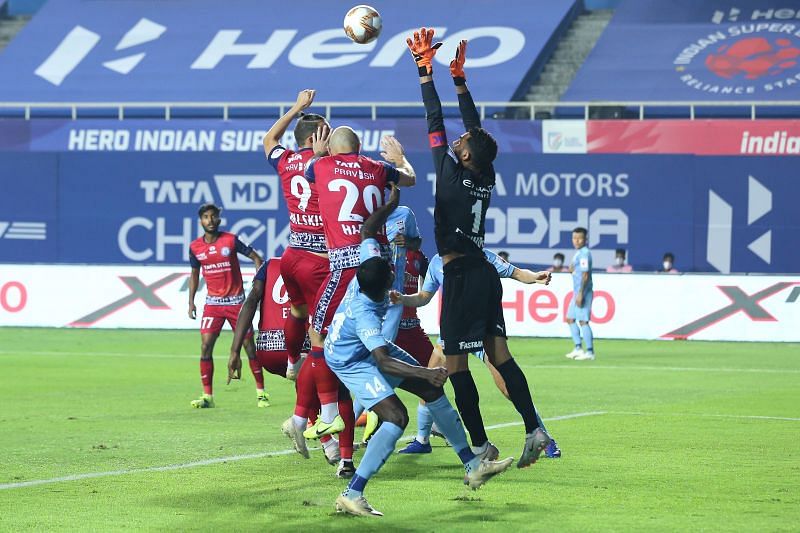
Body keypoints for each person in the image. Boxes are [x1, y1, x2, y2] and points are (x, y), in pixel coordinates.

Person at [409, 29, 551, 467]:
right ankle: (535, 429)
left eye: (461, 145)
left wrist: (424, 74)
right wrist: (460, 81)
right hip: (485, 276)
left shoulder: (450, 175)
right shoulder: (484, 176)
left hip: (461, 276)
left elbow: (436, 122)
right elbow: (472, 130)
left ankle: (480, 447)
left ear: (467, 156)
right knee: (500, 356)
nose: (456, 142)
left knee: (455, 368)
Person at [328, 183, 512, 517]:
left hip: (369, 349)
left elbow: (369, 228)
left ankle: (473, 466)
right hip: (351, 359)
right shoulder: (366, 313)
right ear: (383, 285)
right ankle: (352, 493)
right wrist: (426, 370)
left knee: (430, 390)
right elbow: (382, 359)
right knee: (397, 417)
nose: (394, 275)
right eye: (391, 277)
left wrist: (391, 204)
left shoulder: (368, 265)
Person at [302, 123, 416, 478]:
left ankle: (331, 415)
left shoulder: (320, 166)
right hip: (376, 263)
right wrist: (400, 159)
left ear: (332, 149)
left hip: (344, 264)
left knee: (318, 335)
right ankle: (365, 408)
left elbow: (310, 168)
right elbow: (409, 179)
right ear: (360, 146)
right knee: (367, 339)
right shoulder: (376, 168)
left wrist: (320, 153)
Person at [392, 250, 561, 459]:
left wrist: (534, 277)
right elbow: (424, 297)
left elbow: (515, 273)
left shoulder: (482, 256)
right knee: (430, 381)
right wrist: (403, 299)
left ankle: (544, 437)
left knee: (508, 388)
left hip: (481, 333)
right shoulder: (437, 262)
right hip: (452, 335)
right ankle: (422, 440)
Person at [261, 89, 350, 471]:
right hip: (319, 263)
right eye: (326, 135)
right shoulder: (326, 165)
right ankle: (322, 418)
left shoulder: (285, 161)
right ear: (317, 140)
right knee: (326, 348)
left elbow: (269, 140)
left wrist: (296, 107)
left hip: (291, 256)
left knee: (298, 313)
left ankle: (293, 360)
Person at [228, 258, 340, 466]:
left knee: (306, 384)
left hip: (268, 350)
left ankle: (324, 439)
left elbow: (251, 301)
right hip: (299, 344)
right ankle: (326, 442)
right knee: (325, 381)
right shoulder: (316, 264)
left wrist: (235, 350)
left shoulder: (269, 266)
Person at [188, 203, 264, 408]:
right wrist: (191, 302)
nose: (210, 220)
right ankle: (208, 397)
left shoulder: (230, 240)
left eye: (213, 216)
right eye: (206, 217)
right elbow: (194, 275)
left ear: (219, 219)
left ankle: (261, 393)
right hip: (213, 303)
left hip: (236, 302)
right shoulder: (195, 247)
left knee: (249, 347)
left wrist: (259, 286)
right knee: (205, 346)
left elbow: (257, 258)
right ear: (201, 220)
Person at [565, 227, 595, 361]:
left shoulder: (584, 253)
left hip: (583, 292)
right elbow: (577, 271)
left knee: (583, 321)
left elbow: (585, 274)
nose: (576, 241)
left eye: (579, 238)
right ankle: (578, 348)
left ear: (586, 239)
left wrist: (581, 293)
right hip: (576, 292)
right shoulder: (578, 253)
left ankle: (589, 352)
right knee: (570, 319)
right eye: (574, 238)